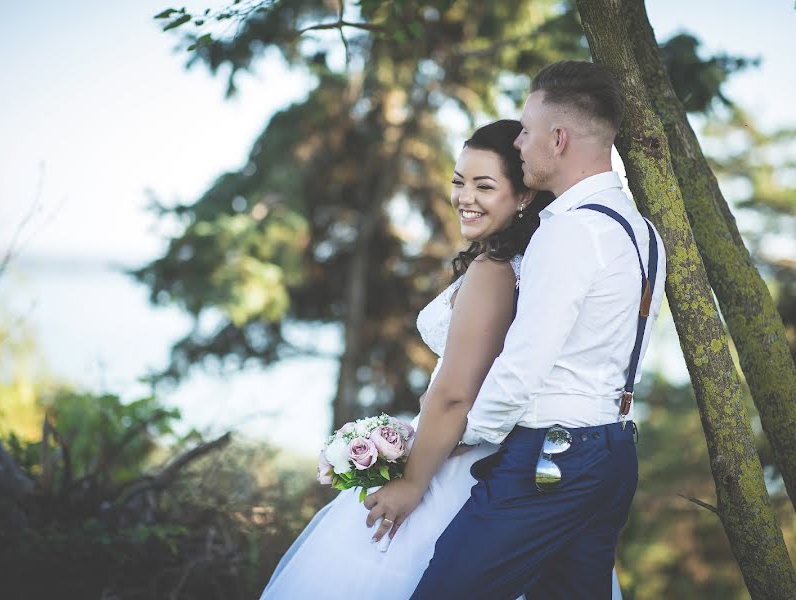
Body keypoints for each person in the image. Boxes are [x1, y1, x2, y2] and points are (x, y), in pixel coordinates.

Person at [259, 119, 623, 599]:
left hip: (454, 469)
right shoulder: (526, 264)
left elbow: (455, 393)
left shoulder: (494, 272)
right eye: (458, 181)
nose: (464, 197)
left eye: (484, 185)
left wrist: (412, 482)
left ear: (524, 198)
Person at [367, 60, 666, 600]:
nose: (519, 141)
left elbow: (522, 366)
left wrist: (458, 444)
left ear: (558, 138)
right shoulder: (642, 232)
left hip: (550, 458)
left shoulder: (568, 231)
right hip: (615, 452)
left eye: (526, 130)